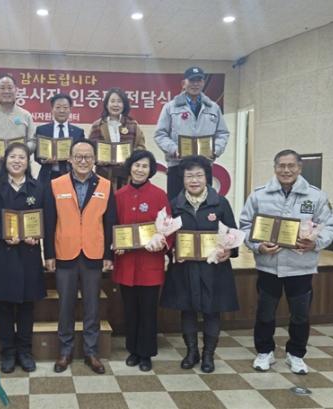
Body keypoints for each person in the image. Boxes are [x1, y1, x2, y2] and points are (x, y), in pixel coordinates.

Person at [239, 149, 333, 374]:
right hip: (268, 266)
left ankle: (296, 354)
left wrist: (315, 243)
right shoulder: (259, 195)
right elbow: (244, 226)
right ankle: (265, 351)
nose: (286, 170)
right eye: (281, 166)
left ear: (299, 168)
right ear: (275, 168)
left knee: (300, 314)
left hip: (300, 267)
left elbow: (331, 226)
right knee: (265, 312)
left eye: (291, 166)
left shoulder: (316, 196)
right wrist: (258, 246)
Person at [159, 155, 239, 373]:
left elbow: (233, 233)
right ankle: (191, 352)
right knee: (187, 310)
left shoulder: (220, 203)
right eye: (189, 176)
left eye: (199, 175)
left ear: (206, 178)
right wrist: (171, 250)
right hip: (184, 267)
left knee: (212, 311)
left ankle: (208, 355)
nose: (194, 180)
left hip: (214, 268)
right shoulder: (174, 204)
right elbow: (167, 236)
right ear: (183, 179)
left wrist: (229, 250)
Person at [44, 140, 117, 375]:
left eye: (88, 157)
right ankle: (65, 351)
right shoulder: (56, 184)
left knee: (92, 307)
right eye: (78, 156)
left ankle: (91, 352)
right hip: (64, 253)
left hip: (94, 254)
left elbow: (110, 222)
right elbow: (49, 221)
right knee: (65, 306)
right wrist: (49, 254)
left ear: (94, 159)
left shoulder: (105, 185)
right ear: (70, 159)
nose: (83, 161)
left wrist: (108, 254)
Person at [0, 143, 46, 373]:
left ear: (28, 162)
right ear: (5, 160)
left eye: (22, 157)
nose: (17, 161)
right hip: (2, 253)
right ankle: (7, 352)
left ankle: (25, 352)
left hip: (28, 253)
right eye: (13, 157)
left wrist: (36, 235)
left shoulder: (38, 187)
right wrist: (3, 234)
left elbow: (46, 218)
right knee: (4, 306)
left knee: (27, 305)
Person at [113, 150, 171, 372]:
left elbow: (168, 227)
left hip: (150, 263)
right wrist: (114, 244)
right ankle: (133, 350)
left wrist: (162, 240)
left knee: (148, 310)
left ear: (151, 170)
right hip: (126, 263)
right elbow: (112, 226)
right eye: (136, 165)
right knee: (130, 309)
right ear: (130, 167)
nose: (140, 170)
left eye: (145, 166)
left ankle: (146, 353)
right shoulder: (119, 195)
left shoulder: (159, 195)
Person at [153, 66, 230, 200]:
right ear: (184, 83)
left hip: (203, 168)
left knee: (203, 207)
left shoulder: (213, 107)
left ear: (203, 83)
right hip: (177, 166)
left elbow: (223, 133)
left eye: (198, 80)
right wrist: (174, 149)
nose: (195, 84)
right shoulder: (170, 107)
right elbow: (160, 134)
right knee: (177, 207)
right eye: (192, 80)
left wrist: (215, 150)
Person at [88, 87, 145, 190]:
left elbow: (141, 147)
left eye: (119, 101)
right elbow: (90, 150)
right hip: (103, 176)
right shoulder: (97, 125)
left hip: (127, 177)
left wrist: (131, 157)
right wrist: (98, 159)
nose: (116, 104)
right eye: (112, 101)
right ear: (106, 104)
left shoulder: (133, 125)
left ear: (124, 105)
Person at [35, 93, 85, 186]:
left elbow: (82, 155)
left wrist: (73, 158)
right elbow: (36, 156)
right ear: (52, 109)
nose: (62, 110)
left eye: (65, 107)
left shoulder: (78, 132)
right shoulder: (42, 130)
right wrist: (44, 160)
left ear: (70, 109)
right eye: (58, 107)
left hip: (71, 177)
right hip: (47, 177)